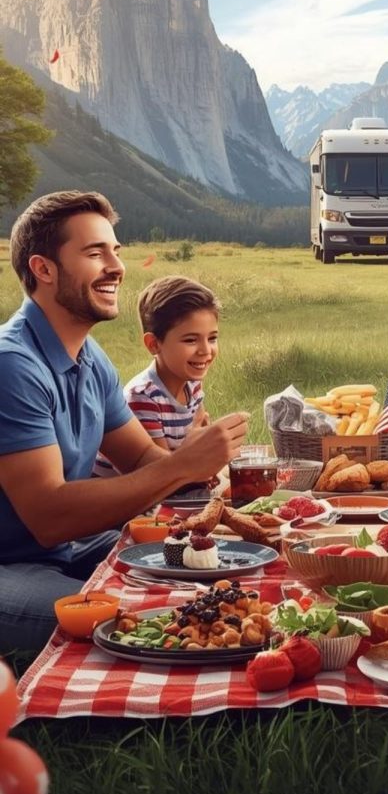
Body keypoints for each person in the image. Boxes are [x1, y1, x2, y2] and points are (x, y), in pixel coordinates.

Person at [0, 191, 249, 653]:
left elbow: (139, 456)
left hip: (65, 551)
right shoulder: (11, 365)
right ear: (44, 269)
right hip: (11, 564)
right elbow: (49, 517)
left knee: (205, 583)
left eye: (115, 250)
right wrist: (179, 467)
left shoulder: (90, 358)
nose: (117, 266)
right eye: (95, 253)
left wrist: (194, 465)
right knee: (141, 622)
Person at [93, 276, 219, 476]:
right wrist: (198, 446)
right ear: (154, 344)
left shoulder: (193, 385)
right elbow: (160, 474)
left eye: (212, 338)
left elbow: (200, 446)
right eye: (190, 340)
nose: (206, 350)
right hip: (126, 498)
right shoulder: (143, 397)